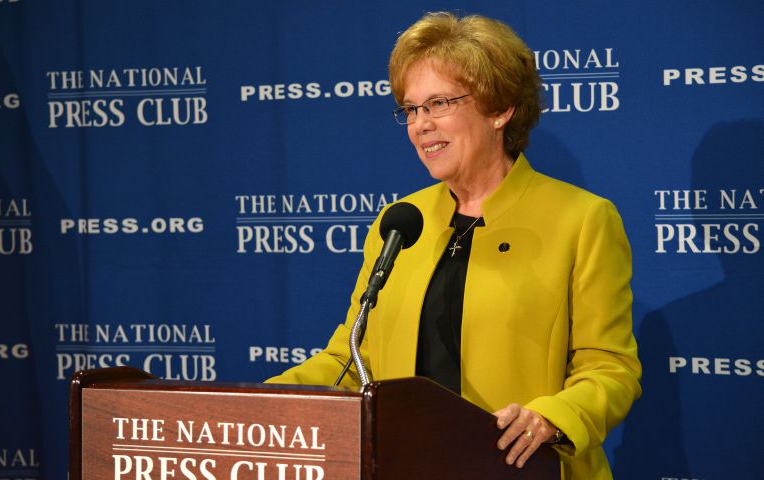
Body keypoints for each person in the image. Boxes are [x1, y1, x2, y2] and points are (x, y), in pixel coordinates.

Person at [267, 11, 641, 479]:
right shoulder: (400, 221)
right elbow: (350, 357)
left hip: (523, 467)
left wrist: (551, 417)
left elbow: (610, 367)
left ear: (500, 109)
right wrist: (254, 405)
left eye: (439, 103)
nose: (420, 124)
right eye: (411, 108)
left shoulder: (582, 220)